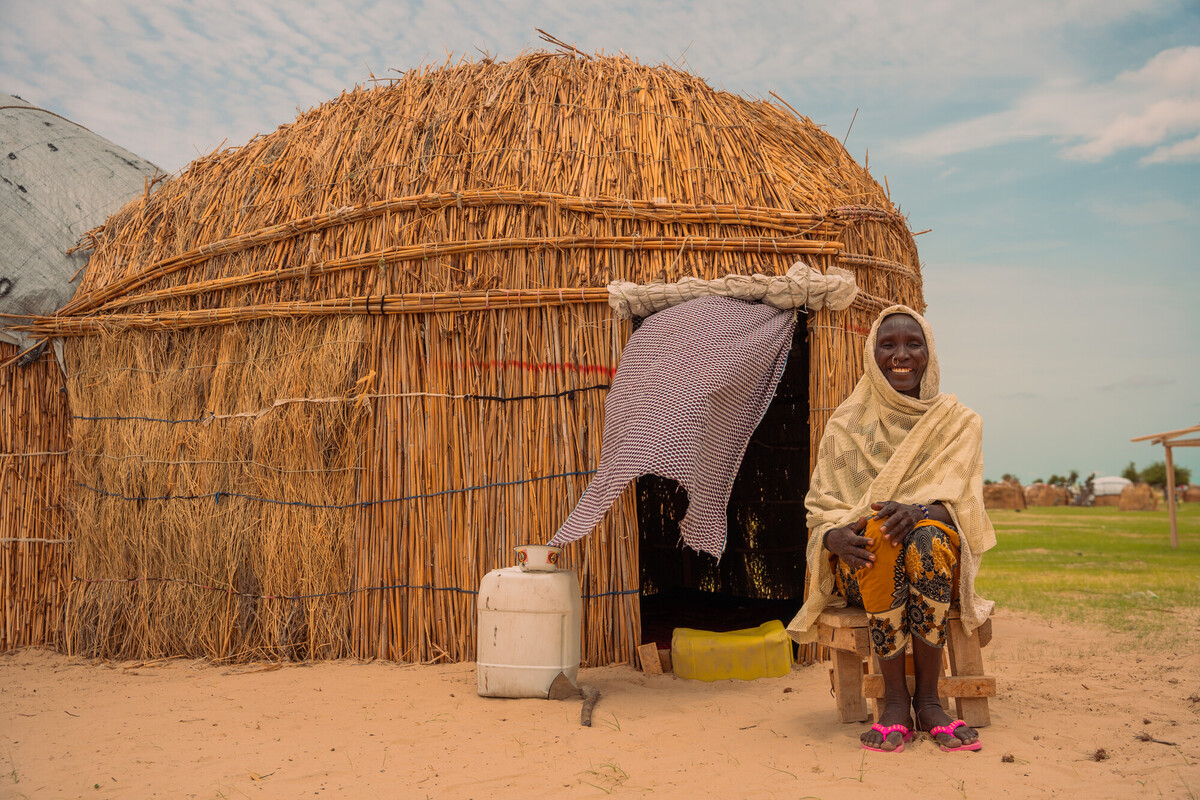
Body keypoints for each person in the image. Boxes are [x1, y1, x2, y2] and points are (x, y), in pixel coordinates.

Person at [787, 305, 995, 753]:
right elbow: (820, 509)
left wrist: (920, 510)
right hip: (862, 567)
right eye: (888, 344)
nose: (901, 355)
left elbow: (967, 507)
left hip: (934, 564)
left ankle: (929, 700)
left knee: (926, 537)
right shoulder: (846, 425)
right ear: (871, 354)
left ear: (929, 353)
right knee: (879, 531)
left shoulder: (959, 423)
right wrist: (832, 538)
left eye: (912, 344)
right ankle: (896, 703)